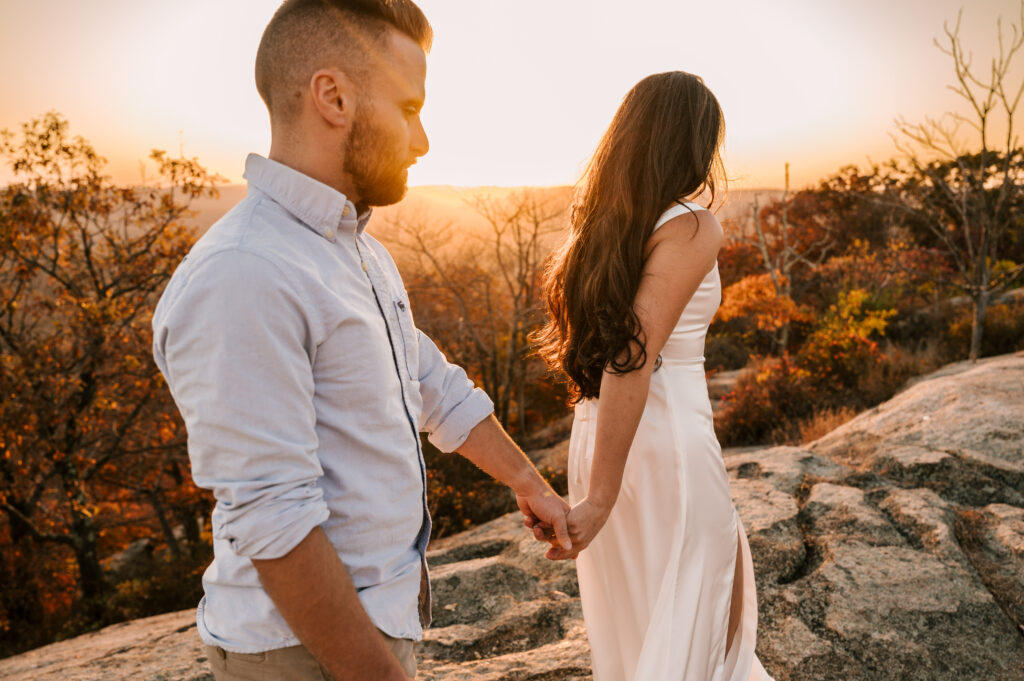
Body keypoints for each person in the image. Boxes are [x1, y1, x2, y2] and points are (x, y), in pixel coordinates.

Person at [151, 2, 571, 680]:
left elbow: (427, 379)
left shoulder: (355, 251)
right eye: (409, 107)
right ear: (334, 97)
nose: (423, 138)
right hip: (302, 653)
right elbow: (275, 522)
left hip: (364, 632)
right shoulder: (245, 273)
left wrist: (529, 481)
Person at [530, 72, 775, 681]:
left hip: (600, 441)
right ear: (695, 143)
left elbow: (615, 358)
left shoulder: (600, 231)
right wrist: (602, 499)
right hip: (665, 448)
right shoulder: (693, 223)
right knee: (715, 633)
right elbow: (631, 357)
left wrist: (597, 488)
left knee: (643, 633)